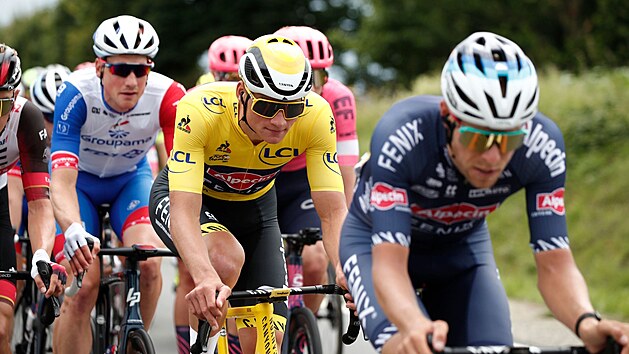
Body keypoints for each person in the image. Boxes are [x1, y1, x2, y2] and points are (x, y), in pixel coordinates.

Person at [339, 31, 629, 354]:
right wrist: (412, 324)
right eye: (479, 138)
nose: (493, 158)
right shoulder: (403, 136)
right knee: (410, 346)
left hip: (461, 249)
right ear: (449, 119)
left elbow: (554, 264)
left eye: (508, 141)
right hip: (375, 244)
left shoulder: (542, 148)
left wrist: (587, 323)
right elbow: (390, 264)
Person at [149, 34, 348, 354]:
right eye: (267, 106)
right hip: (193, 200)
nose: (280, 121)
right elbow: (184, 210)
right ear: (242, 92)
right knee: (223, 260)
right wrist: (202, 275)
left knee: (270, 341)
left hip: (255, 208)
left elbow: (333, 211)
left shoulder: (316, 115)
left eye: (292, 108)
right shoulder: (200, 109)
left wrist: (343, 266)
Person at [49, 15, 186, 353]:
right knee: (83, 285)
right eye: (120, 69)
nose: (131, 80)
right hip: (80, 186)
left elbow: (181, 174)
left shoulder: (168, 95)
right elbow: (62, 181)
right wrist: (71, 229)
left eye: (140, 70)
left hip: (131, 181)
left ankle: (132, 342)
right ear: (100, 67)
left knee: (151, 262)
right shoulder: (76, 93)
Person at [174, 34, 253, 354]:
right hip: (199, 186)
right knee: (192, 270)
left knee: (237, 270)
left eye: (238, 76)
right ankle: (189, 344)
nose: (232, 81)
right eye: (226, 76)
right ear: (214, 74)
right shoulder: (199, 97)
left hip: (239, 191)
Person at [274, 25, 359, 313]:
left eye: (319, 76)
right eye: (302, 76)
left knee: (314, 260)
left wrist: (347, 249)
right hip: (259, 181)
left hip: (304, 182)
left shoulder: (339, 98)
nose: (312, 88)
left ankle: (301, 331)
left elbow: (346, 173)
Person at [0, 44, 66, 353]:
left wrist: (40, 253)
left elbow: (39, 201)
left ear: (13, 98)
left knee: (1, 324)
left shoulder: (26, 117)